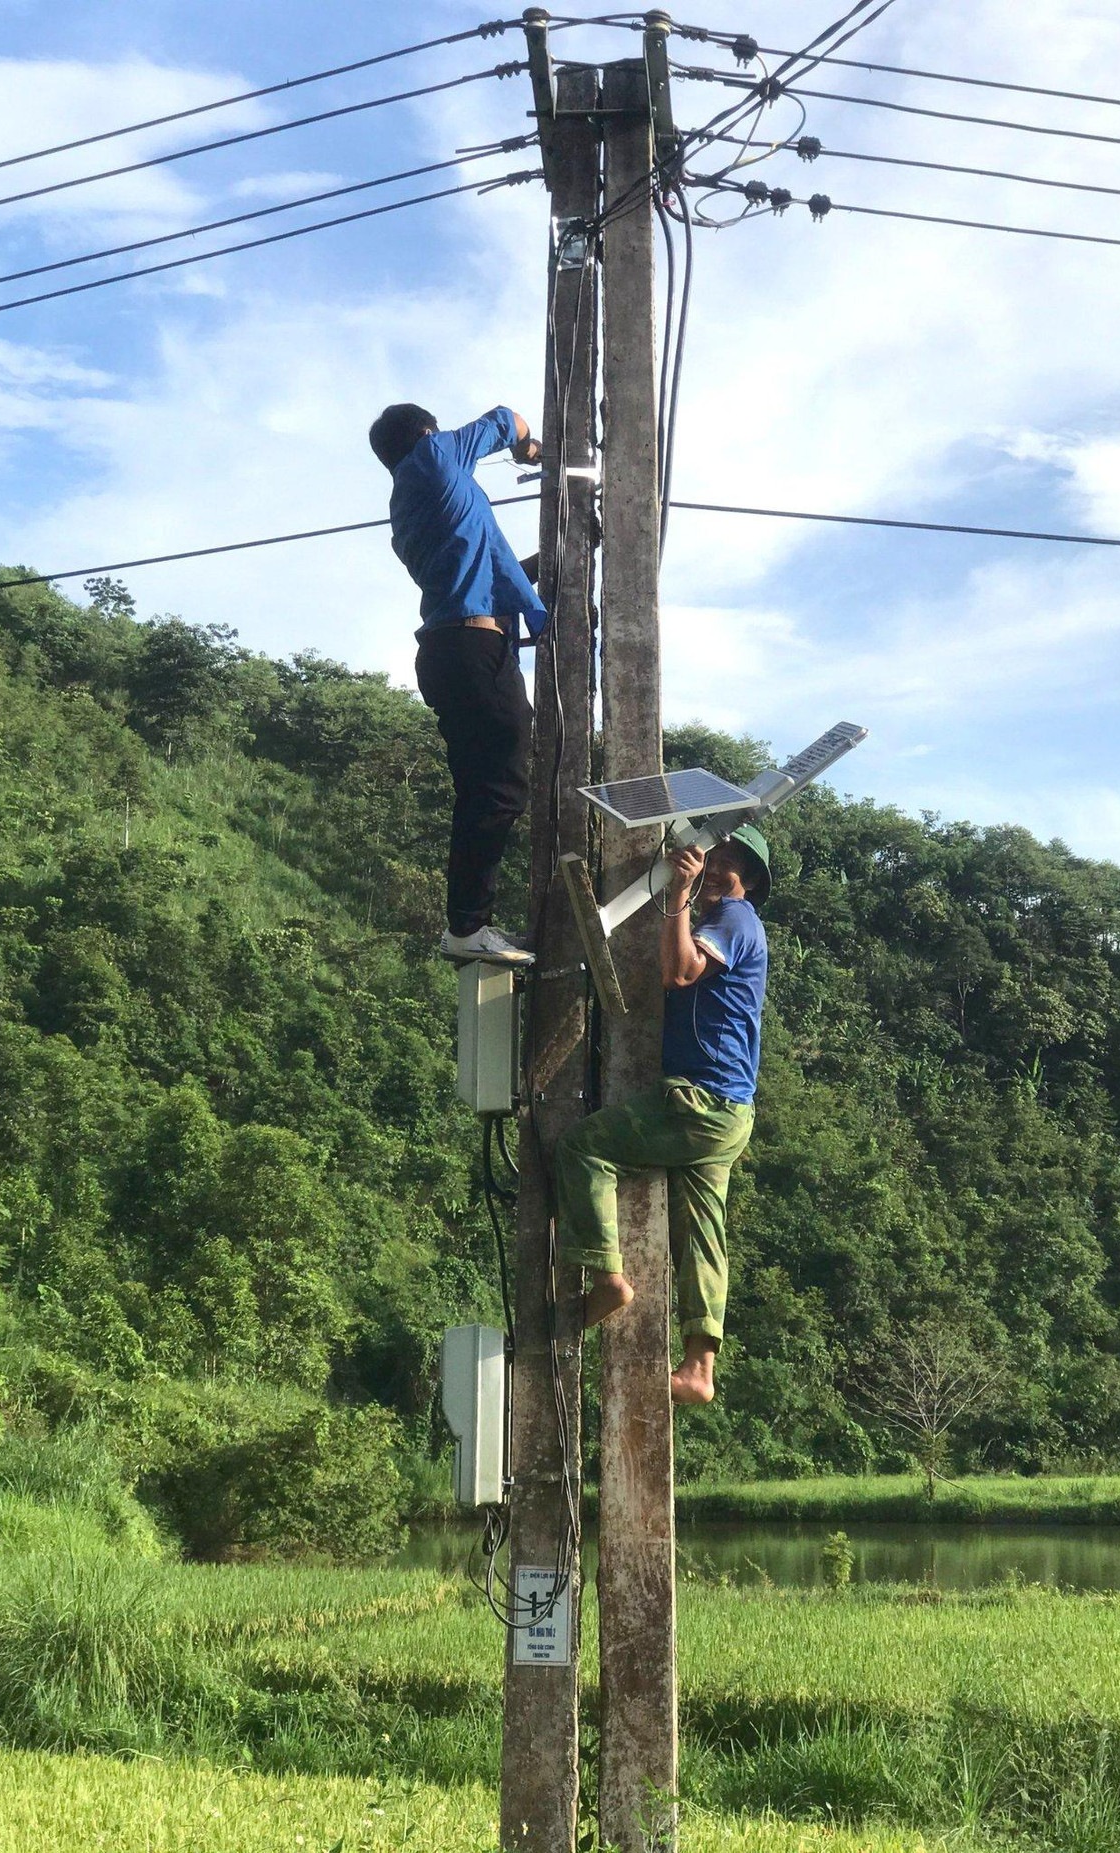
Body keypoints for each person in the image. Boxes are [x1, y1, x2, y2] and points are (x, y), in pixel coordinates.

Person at [554, 825, 771, 1405]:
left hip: (701, 1102)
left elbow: (678, 972)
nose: (716, 866)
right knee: (704, 1231)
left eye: (731, 863)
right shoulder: (729, 922)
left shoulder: (733, 917)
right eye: (713, 854)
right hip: (730, 1112)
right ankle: (700, 1368)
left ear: (747, 883)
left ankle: (607, 1279)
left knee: (583, 1147)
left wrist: (677, 891)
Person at [370, 401, 546, 966]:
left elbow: (492, 568)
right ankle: (468, 926)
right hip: (472, 651)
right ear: (427, 433)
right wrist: (531, 449)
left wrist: (548, 580)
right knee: (502, 787)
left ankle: (467, 925)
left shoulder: (418, 501)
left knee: (482, 792)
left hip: (451, 651)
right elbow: (506, 418)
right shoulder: (435, 459)